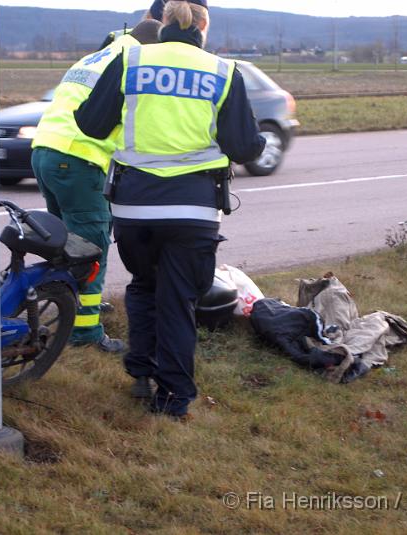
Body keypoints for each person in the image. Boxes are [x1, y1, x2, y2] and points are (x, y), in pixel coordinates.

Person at [74, 0, 266, 417]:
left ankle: (141, 373)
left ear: (162, 23)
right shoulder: (222, 71)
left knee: (144, 285)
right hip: (193, 211)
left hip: (134, 207)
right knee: (178, 300)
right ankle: (174, 397)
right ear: (203, 26)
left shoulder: (131, 59)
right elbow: (244, 147)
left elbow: (90, 124)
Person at [31, 20, 161, 353]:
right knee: (91, 249)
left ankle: (68, 306)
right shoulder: (135, 60)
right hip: (79, 158)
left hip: (45, 151)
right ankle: (85, 333)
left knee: (66, 244)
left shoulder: (98, 55)